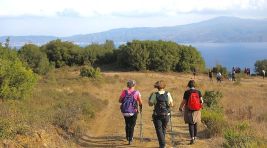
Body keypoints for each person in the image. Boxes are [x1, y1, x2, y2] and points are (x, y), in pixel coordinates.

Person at [148, 80, 173, 148]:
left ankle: (162, 145)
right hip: (166, 114)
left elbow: (150, 104)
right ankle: (162, 144)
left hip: (157, 115)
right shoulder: (168, 93)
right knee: (163, 129)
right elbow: (171, 104)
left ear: (157, 87)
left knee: (159, 130)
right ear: (164, 86)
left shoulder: (154, 94)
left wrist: (149, 99)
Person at [179, 80, 203, 145]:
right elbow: (201, 101)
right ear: (194, 85)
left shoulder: (187, 92)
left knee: (190, 123)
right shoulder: (198, 92)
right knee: (195, 123)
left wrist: (180, 107)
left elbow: (184, 101)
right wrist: (199, 106)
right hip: (197, 110)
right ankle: (195, 137)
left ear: (188, 85)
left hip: (189, 109)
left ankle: (192, 138)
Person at [119, 80, 142, 145]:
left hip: (125, 111)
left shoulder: (124, 92)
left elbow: (120, 100)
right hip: (133, 111)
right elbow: (140, 102)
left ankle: (127, 136)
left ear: (127, 85)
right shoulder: (137, 92)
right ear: (134, 85)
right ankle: (130, 138)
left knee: (127, 124)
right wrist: (140, 107)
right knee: (132, 125)